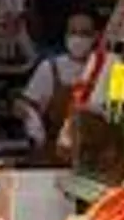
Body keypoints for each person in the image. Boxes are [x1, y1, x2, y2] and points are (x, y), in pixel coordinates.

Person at [17, 9, 99, 159]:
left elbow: (121, 110)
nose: (78, 38)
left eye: (84, 33)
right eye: (73, 32)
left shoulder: (113, 67)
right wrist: (32, 120)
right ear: (65, 36)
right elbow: (20, 105)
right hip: (55, 154)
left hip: (98, 154)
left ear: (96, 36)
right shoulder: (49, 67)